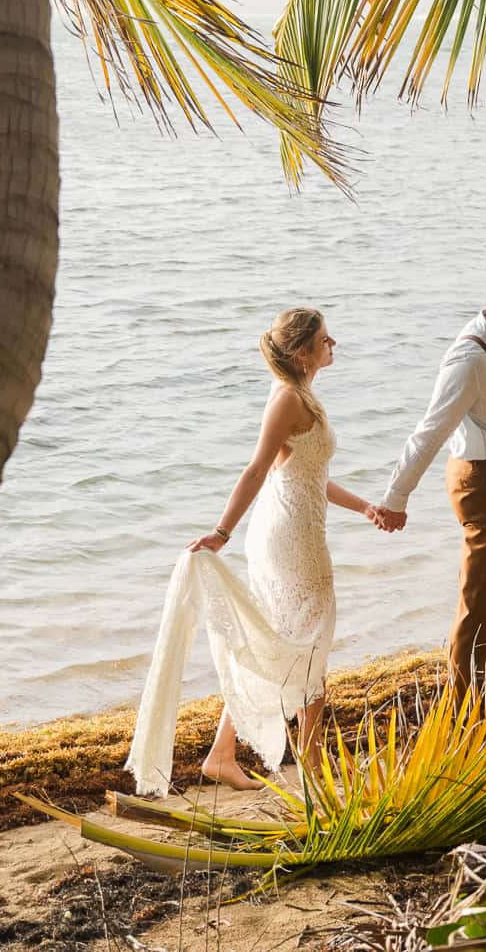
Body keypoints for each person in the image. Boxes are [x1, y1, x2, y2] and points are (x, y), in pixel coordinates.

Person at [125, 307, 386, 794]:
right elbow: (256, 470)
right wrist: (221, 533)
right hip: (286, 538)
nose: (335, 345)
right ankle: (310, 765)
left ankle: (222, 755)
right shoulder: (287, 398)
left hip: (301, 529)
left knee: (291, 642)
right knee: (308, 644)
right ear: (302, 351)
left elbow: (312, 477)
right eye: (326, 340)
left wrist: (365, 507)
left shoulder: (305, 394)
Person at [373, 271, 486, 695]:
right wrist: (396, 498)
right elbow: (430, 431)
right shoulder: (469, 360)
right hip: (483, 482)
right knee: (482, 607)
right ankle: (463, 713)